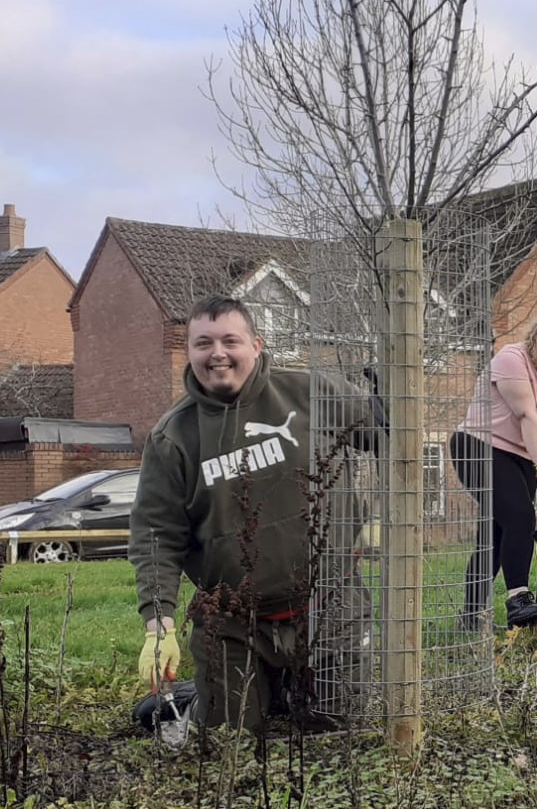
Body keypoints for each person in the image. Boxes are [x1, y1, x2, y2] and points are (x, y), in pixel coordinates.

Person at [130, 294, 381, 735]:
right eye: (203, 343)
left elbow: (388, 438)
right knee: (230, 737)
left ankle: (284, 688)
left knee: (336, 727)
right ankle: (201, 699)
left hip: (330, 605)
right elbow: (155, 534)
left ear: (257, 345)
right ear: (189, 351)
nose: (218, 353)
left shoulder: (311, 393)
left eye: (231, 340)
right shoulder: (174, 438)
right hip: (234, 620)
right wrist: (158, 625)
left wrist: (381, 508)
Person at [450, 311, 537, 629]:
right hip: (479, 446)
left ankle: (471, 617)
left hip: (521, 454)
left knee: (496, 532)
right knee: (520, 516)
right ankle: (518, 599)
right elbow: (527, 415)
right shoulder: (511, 359)